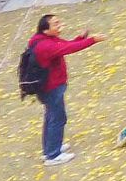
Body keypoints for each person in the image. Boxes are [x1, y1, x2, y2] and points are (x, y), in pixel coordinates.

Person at [27, 13, 101, 164]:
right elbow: (69, 48)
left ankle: (50, 148)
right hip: (51, 87)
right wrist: (91, 40)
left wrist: (81, 38)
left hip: (50, 86)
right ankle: (53, 155)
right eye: (55, 24)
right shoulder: (45, 45)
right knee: (57, 118)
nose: (59, 25)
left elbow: (65, 45)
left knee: (51, 117)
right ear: (46, 30)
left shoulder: (46, 39)